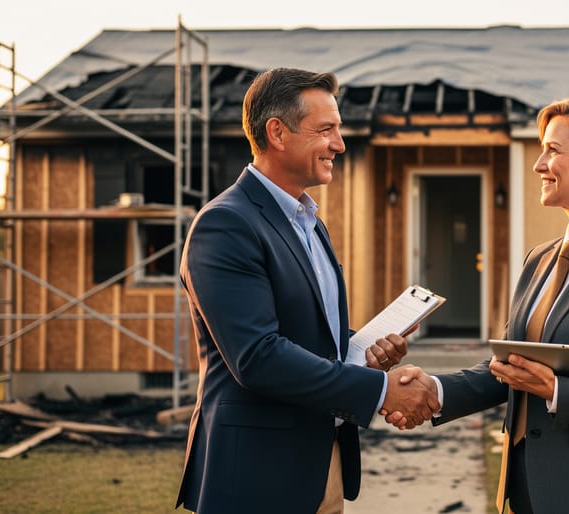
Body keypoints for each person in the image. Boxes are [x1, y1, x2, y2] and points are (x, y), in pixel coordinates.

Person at [390, 97, 569, 513]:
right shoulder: (540, 259)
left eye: (553, 150)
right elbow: (512, 368)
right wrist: (435, 391)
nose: (538, 164)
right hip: (528, 486)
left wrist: (559, 390)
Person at [175, 67, 439, 514]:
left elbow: (305, 333)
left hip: (322, 459)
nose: (339, 144)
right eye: (326, 130)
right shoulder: (225, 224)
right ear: (277, 133)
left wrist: (360, 351)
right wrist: (378, 390)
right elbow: (257, 357)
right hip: (258, 472)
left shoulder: (309, 222)